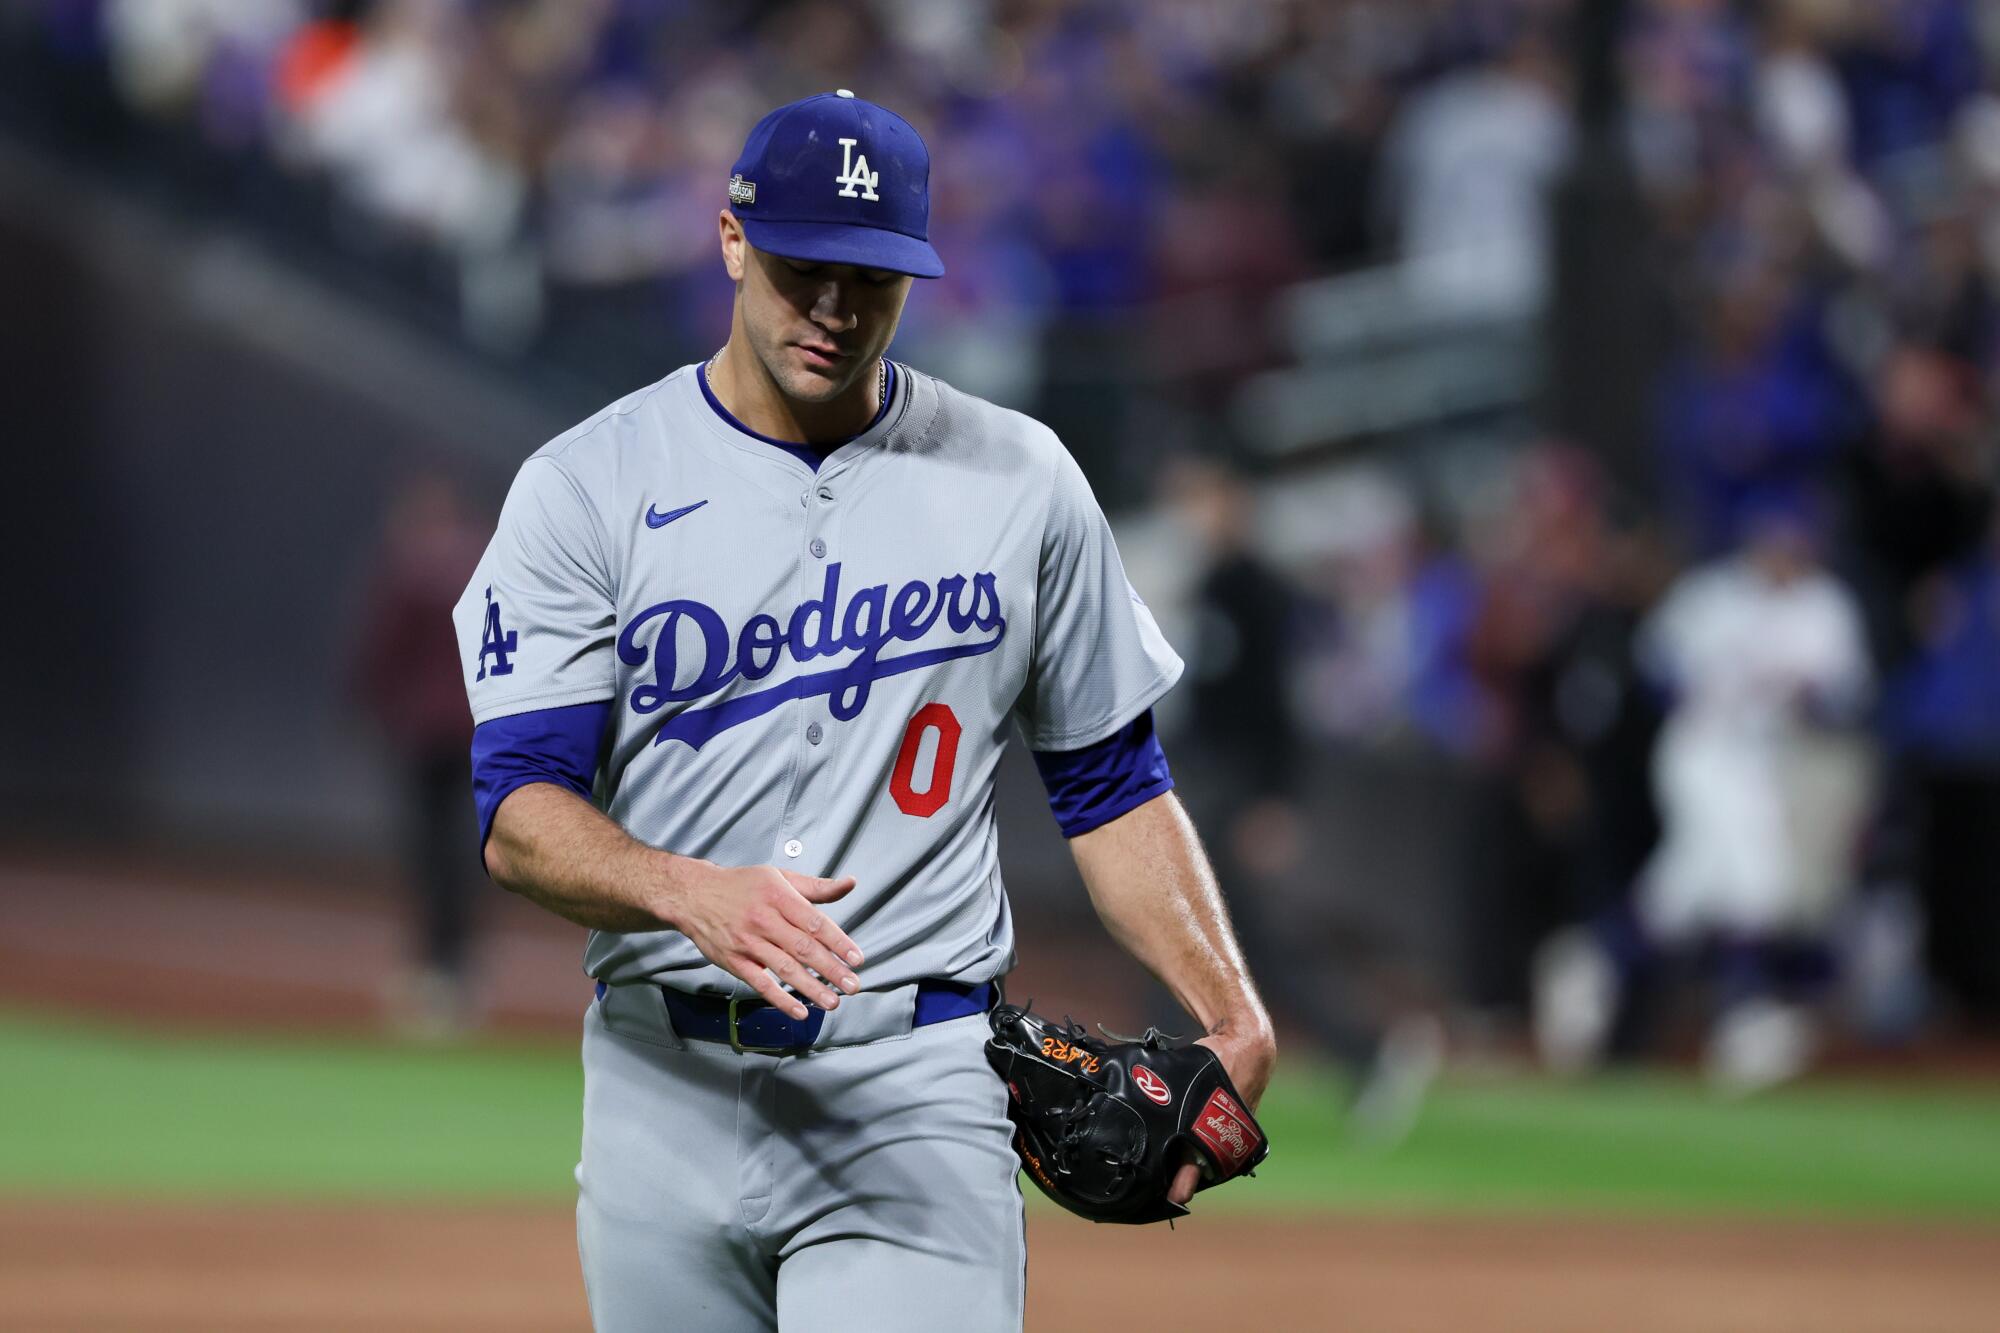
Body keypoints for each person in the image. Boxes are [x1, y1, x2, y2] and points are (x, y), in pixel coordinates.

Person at [453, 92, 1275, 1332]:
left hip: (913, 1078)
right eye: (802, 269)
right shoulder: (589, 485)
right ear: (731, 238)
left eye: (871, 278)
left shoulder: (1018, 479)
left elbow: (1109, 782)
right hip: (654, 1085)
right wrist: (687, 889)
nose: (834, 309)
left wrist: (1228, 1003)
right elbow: (519, 814)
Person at [352, 469, 488, 1037]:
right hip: (479, 725)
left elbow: (381, 650)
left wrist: (367, 706)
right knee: (469, 852)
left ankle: (434, 972)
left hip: (425, 733)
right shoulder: (482, 560)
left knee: (430, 852)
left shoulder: (410, 567)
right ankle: (459, 971)